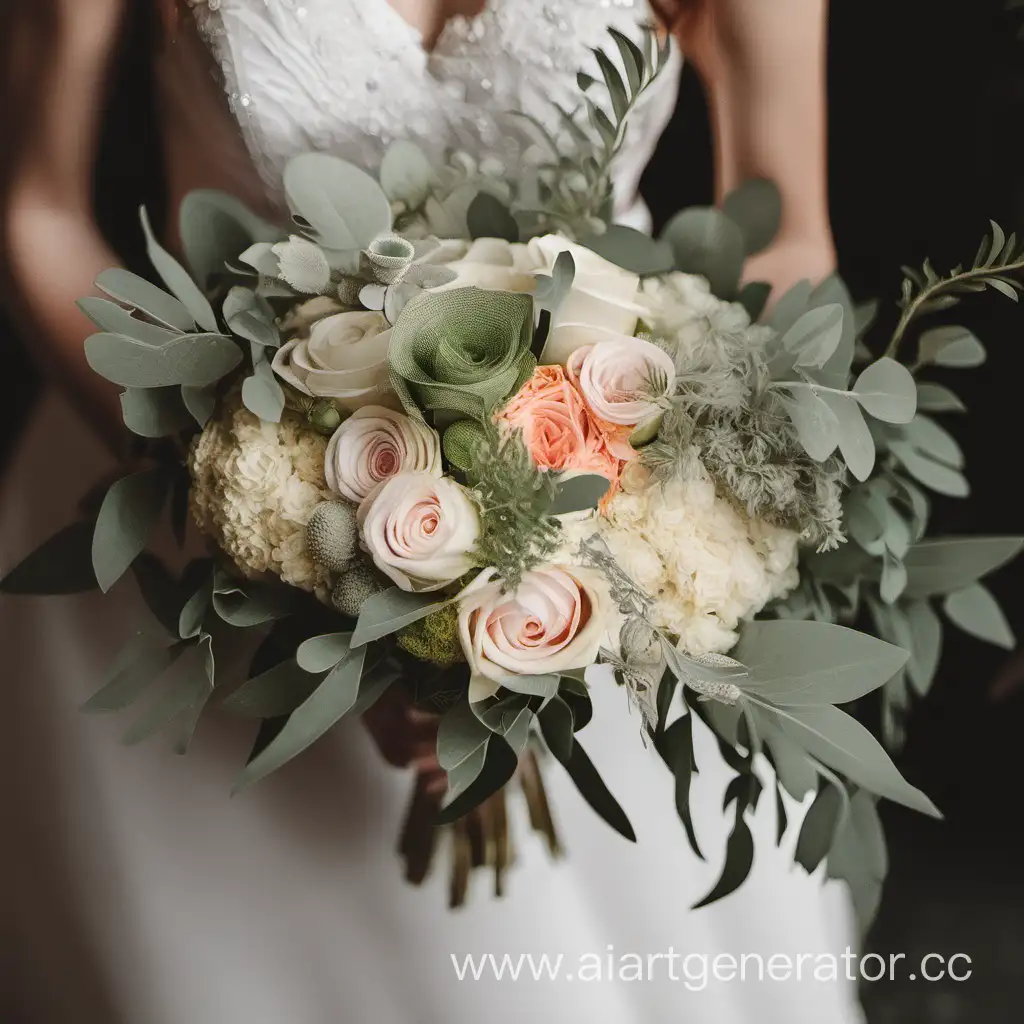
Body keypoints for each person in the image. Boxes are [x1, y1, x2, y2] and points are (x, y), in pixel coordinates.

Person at [1, 2, 856, 1022]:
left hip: (603, 522)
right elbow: (38, 212)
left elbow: (784, 233)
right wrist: (274, 541)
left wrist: (643, 520)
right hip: (198, 528)